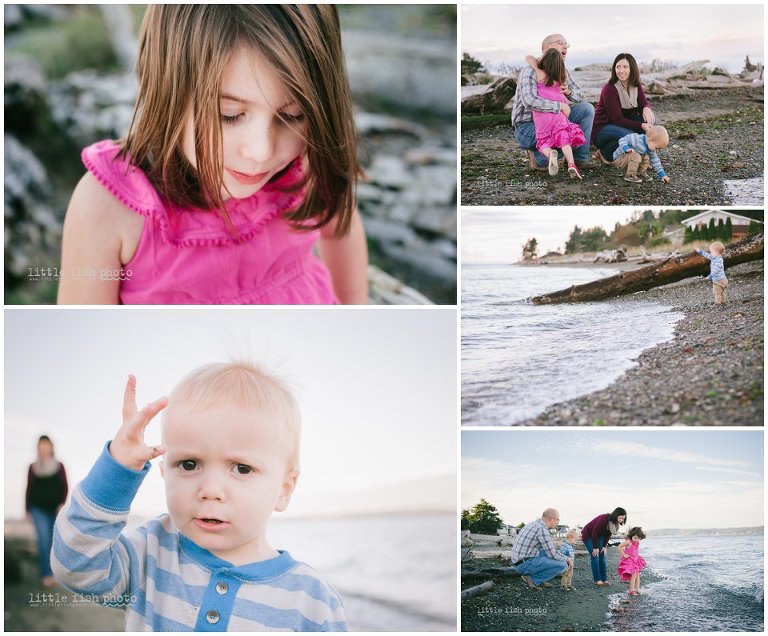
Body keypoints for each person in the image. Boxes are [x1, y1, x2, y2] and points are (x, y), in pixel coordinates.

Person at [58, 6, 368, 305]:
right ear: (166, 89)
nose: (261, 152)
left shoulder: (309, 162)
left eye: (292, 116)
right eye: (229, 115)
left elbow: (340, 228)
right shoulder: (108, 208)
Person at [52, 365, 347, 631]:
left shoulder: (312, 602)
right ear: (165, 471)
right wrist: (117, 470)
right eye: (189, 464)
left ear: (284, 488)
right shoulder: (151, 553)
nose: (211, 490)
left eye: (242, 468)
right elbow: (76, 566)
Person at [511, 34, 594, 172]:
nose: (565, 46)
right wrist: (559, 106)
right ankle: (536, 156)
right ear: (546, 47)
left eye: (567, 44)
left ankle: (579, 159)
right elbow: (529, 101)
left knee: (586, 109)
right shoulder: (530, 71)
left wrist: (569, 92)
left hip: (555, 121)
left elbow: (580, 96)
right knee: (546, 159)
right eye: (560, 43)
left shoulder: (562, 71)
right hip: (528, 127)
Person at [524, 51, 587, 179]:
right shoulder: (562, 76)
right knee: (564, 138)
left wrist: (538, 62)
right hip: (559, 113)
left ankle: (550, 155)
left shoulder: (539, 73)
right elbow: (577, 94)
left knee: (543, 142)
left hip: (542, 116)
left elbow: (528, 58)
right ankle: (571, 164)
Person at [592, 53, 658, 163]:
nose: (621, 70)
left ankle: (639, 155)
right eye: (618, 67)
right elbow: (618, 119)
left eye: (625, 67)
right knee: (630, 136)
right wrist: (641, 125)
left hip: (622, 126)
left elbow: (643, 104)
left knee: (650, 120)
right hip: (603, 129)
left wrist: (646, 108)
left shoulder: (635, 85)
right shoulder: (609, 89)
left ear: (632, 69)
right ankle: (605, 154)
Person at [26, 435, 68, 588]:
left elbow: (65, 486)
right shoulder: (33, 467)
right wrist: (26, 510)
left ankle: (53, 575)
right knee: (43, 540)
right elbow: (29, 488)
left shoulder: (59, 466)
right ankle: (45, 575)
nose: (43, 449)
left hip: (55, 509)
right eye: (40, 446)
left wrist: (62, 503)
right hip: (37, 508)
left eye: (46, 446)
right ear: (38, 448)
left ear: (51, 447)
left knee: (53, 542)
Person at [509, 508, 572, 589]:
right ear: (549, 518)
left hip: (518, 561)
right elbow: (552, 553)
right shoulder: (542, 529)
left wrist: (563, 557)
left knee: (552, 555)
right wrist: (567, 559)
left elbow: (549, 550)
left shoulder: (532, 524)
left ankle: (535, 577)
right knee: (563, 565)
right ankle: (533, 579)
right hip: (523, 564)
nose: (558, 522)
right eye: (557, 520)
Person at [581, 507, 627, 586]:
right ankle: (597, 580)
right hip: (589, 535)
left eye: (623, 519)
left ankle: (604, 579)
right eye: (620, 518)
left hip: (600, 536)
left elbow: (608, 534)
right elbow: (594, 532)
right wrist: (595, 547)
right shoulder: (604, 518)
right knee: (595, 556)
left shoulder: (615, 524)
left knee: (602, 556)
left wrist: (604, 546)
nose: (621, 520)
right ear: (615, 515)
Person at [617, 527, 647, 596]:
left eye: (638, 538)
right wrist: (624, 554)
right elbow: (619, 547)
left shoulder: (637, 541)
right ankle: (631, 590)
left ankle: (637, 589)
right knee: (634, 575)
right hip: (629, 560)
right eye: (635, 538)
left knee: (637, 575)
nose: (637, 540)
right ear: (631, 536)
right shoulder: (628, 542)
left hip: (636, 560)